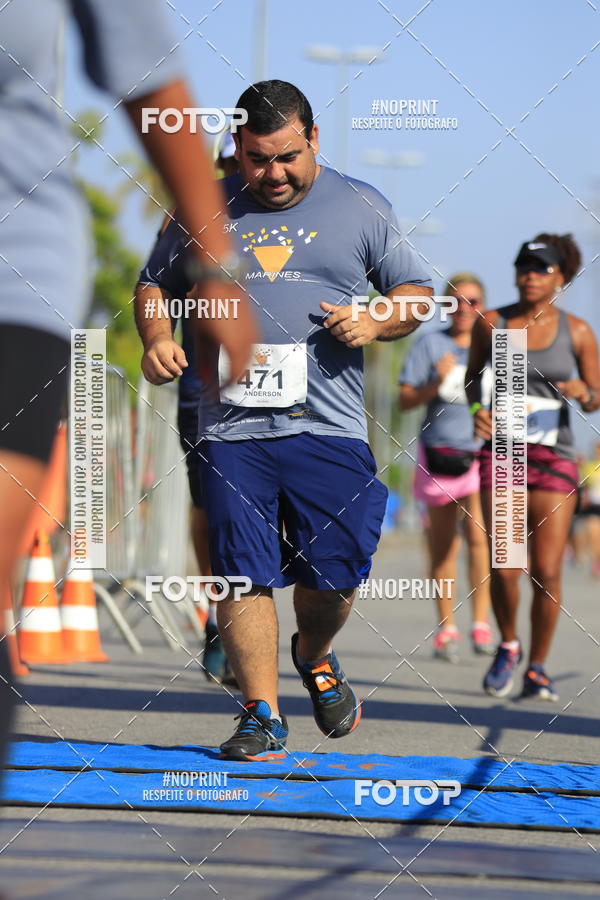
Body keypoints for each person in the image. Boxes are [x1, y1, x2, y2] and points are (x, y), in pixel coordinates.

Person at [135, 79, 433, 760]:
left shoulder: (360, 204)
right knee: (241, 571)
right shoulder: (201, 209)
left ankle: (314, 652)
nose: (272, 174)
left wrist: (377, 317)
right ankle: (261, 713)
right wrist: (157, 337)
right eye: (257, 159)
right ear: (236, 149)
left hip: (327, 428)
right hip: (231, 429)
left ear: (314, 139)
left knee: (333, 575)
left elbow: (415, 291)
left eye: (287, 157)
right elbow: (154, 283)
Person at [0, 0, 256, 774]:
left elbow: (150, 76)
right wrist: (157, 325)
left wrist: (215, 271)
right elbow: (151, 283)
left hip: (14, 270)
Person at [466, 234, 600, 701]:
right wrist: (475, 412)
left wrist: (584, 392)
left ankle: (537, 666)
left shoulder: (578, 331)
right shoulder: (494, 323)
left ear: (560, 277)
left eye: (541, 268)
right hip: (503, 452)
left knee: (547, 568)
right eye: (523, 265)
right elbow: (471, 380)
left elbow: (596, 395)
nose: (529, 274)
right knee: (506, 565)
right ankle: (508, 643)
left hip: (554, 456)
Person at [137, 126, 240, 685]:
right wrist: (160, 338)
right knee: (211, 506)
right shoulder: (188, 216)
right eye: (223, 165)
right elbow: (154, 282)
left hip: (292, 393)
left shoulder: (300, 213)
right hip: (206, 387)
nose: (234, 176)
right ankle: (221, 616)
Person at [399, 273, 493, 662]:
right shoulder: (430, 344)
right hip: (440, 453)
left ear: (483, 305)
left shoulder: (496, 345)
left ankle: (482, 625)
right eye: (456, 302)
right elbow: (404, 399)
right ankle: (446, 628)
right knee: (444, 544)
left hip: (485, 454)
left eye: (472, 301)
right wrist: (434, 382)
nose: (464, 309)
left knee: (481, 539)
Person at [580, 443, 600, 577]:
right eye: (596, 449)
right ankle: (596, 563)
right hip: (593, 507)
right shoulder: (589, 467)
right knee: (594, 537)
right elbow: (584, 487)